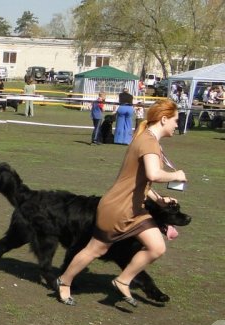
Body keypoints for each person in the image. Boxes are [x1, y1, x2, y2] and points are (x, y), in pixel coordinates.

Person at [55, 98, 187, 307]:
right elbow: (153, 173)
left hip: (135, 208)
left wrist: (160, 199)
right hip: (117, 208)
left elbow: (140, 181)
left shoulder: (147, 139)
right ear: (163, 119)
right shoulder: (149, 142)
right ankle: (64, 281)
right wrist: (176, 175)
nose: (177, 124)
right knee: (96, 249)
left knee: (157, 247)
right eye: (176, 120)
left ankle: (123, 280)